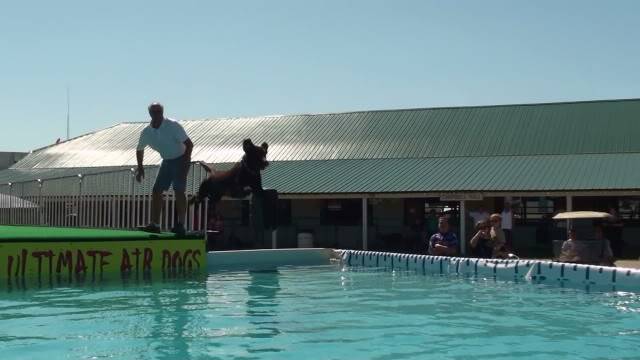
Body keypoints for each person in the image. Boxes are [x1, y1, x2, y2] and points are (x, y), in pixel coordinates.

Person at [136, 103, 194, 235]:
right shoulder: (146, 132)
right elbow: (139, 149)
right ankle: (155, 224)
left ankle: (181, 225)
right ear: (150, 114)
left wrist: (185, 164)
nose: (157, 114)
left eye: (159, 112)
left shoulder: (173, 125)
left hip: (181, 159)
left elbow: (189, 145)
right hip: (167, 161)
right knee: (156, 190)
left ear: (162, 112)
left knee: (178, 190)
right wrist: (140, 168)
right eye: (154, 112)